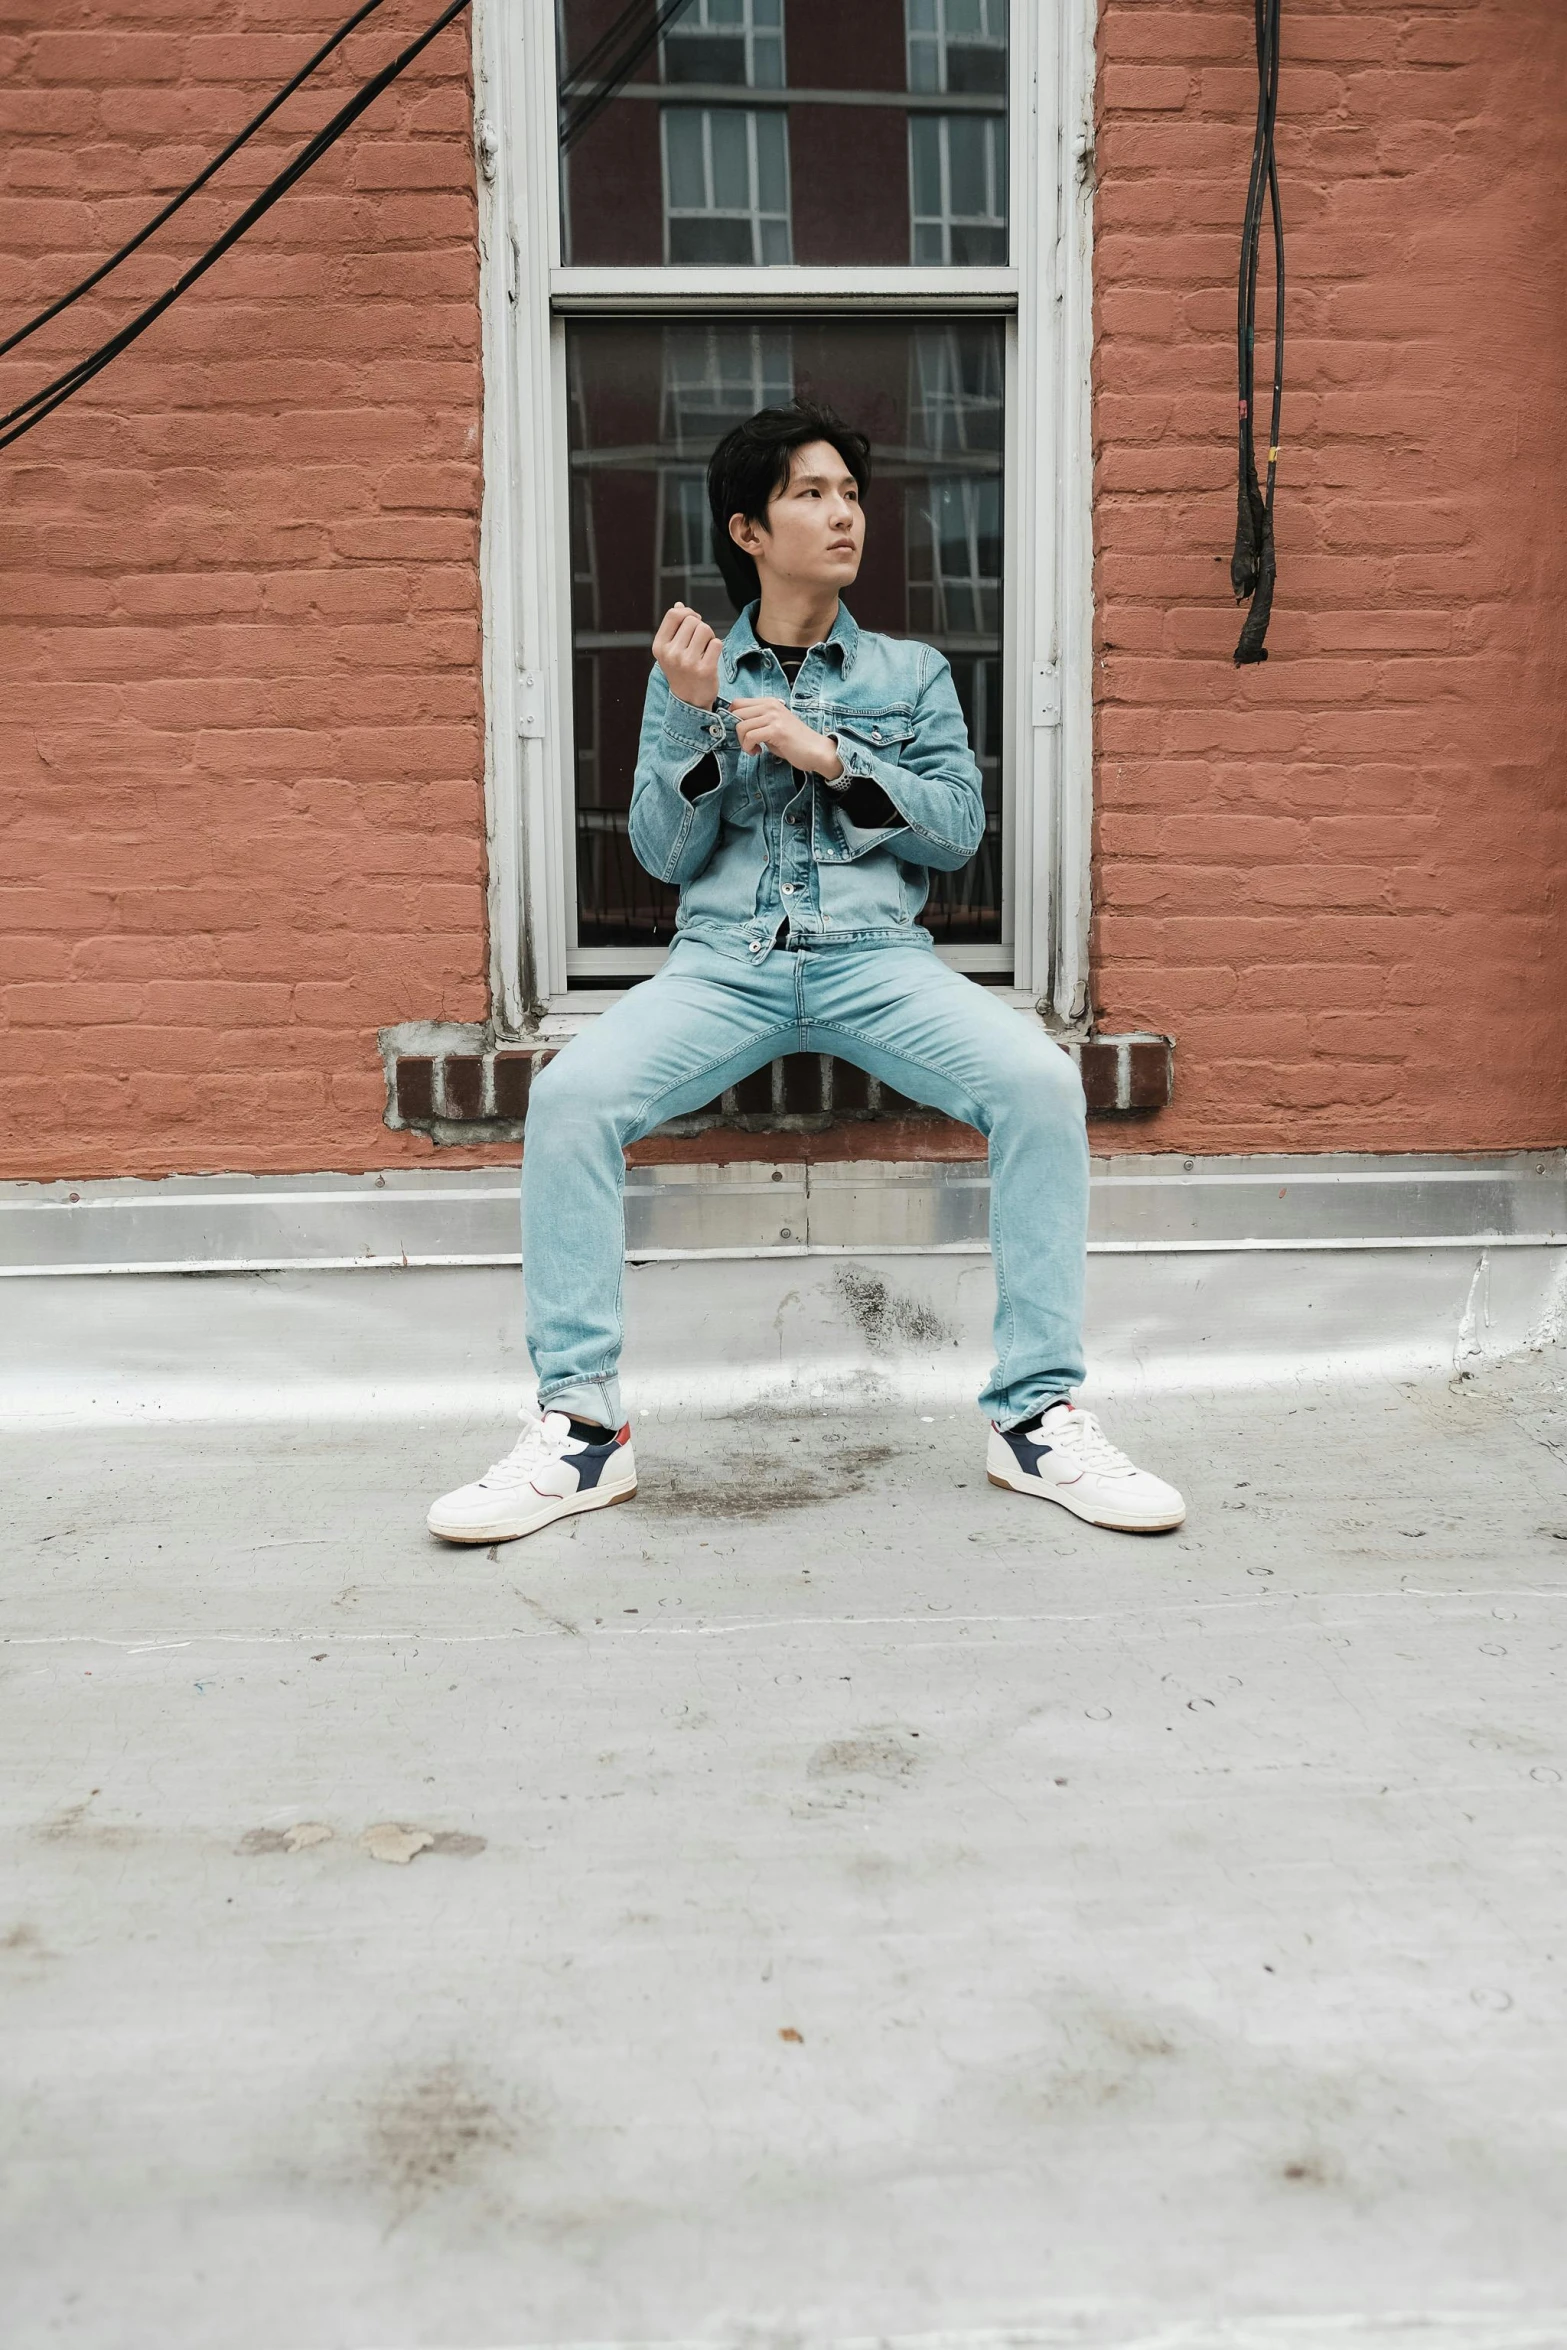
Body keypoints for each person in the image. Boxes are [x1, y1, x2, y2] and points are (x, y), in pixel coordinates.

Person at [428, 401, 1185, 1544]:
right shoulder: (691, 668)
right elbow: (658, 857)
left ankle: (1036, 1416)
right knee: (574, 1097)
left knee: (1038, 1083)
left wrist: (828, 754)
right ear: (748, 529)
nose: (842, 515)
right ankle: (583, 1433)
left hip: (877, 962)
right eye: (810, 495)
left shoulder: (910, 671)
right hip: (720, 966)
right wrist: (695, 732)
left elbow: (958, 829)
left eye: (849, 495)